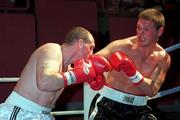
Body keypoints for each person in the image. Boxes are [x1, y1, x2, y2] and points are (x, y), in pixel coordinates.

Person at [0, 27, 111, 120]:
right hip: (21, 111)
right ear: (80, 43)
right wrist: (76, 75)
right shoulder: (53, 49)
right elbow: (45, 82)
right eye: (91, 48)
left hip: (44, 115)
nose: (91, 54)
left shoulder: (68, 69)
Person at [88, 8, 171, 120]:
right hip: (107, 106)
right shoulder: (121, 46)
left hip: (138, 109)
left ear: (160, 31)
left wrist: (132, 73)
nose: (140, 33)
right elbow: (91, 61)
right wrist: (94, 75)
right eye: (138, 27)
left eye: (146, 29)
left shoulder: (163, 58)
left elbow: (152, 90)